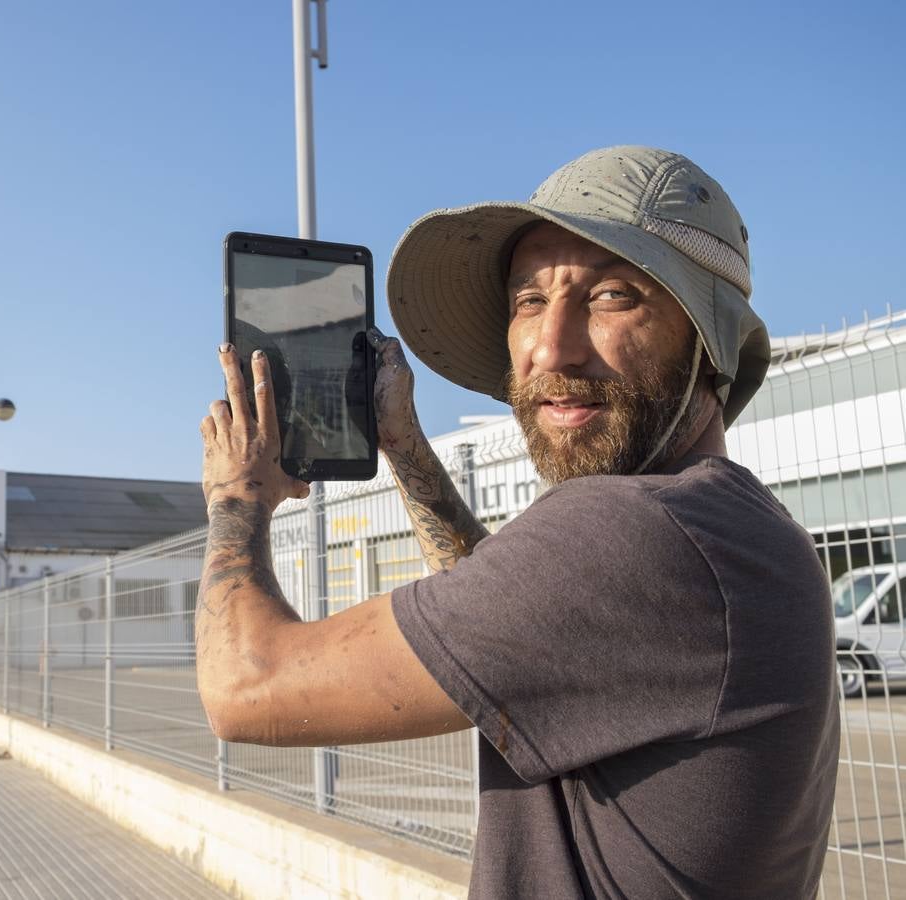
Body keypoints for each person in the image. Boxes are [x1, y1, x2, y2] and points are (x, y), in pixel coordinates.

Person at [195, 146, 838, 898]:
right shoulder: (741, 528)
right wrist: (406, 450)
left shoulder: (636, 531)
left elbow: (244, 687)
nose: (549, 347)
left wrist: (236, 495)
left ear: (710, 339)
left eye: (613, 295)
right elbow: (509, 609)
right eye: (529, 301)